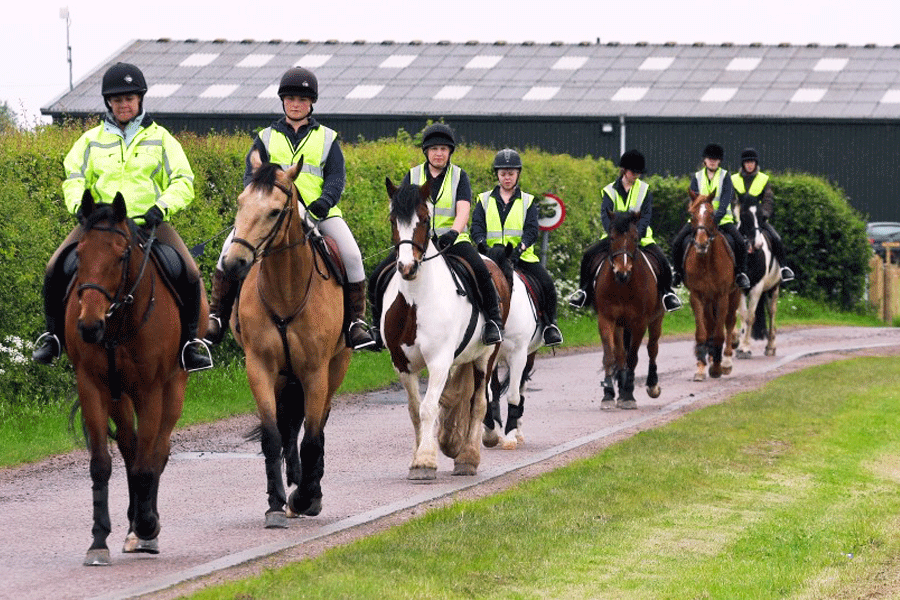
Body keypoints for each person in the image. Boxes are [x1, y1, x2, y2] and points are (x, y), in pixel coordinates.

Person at [31, 62, 213, 371]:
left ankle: (190, 345)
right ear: (108, 103)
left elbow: (183, 180)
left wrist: (163, 206)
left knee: (189, 271)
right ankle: (53, 338)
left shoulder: (162, 139)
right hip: (100, 225)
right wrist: (79, 206)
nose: (123, 105)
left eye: (129, 98)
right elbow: (73, 177)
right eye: (117, 100)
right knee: (54, 267)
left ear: (140, 99)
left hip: (148, 221)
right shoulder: (89, 140)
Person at [204, 67, 376, 351]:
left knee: (352, 256)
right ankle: (217, 318)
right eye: (291, 98)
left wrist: (324, 202)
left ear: (311, 104)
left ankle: (355, 323)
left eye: (302, 99)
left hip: (319, 213)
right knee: (228, 253)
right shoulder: (265, 137)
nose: (296, 104)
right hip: (271, 216)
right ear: (283, 101)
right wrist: (258, 203)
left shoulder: (328, 139)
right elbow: (252, 176)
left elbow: (336, 177)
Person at [368, 123, 505, 347]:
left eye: (443, 149)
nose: (439, 153)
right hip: (417, 242)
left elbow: (463, 209)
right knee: (377, 276)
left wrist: (453, 232)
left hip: (452, 240)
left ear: (449, 152)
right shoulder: (412, 175)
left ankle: (493, 321)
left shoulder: (460, 176)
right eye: (434, 149)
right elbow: (403, 213)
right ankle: (376, 329)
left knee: (480, 270)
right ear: (426, 152)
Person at [568, 150, 683, 312]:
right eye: (633, 171)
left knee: (662, 261)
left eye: (639, 172)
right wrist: (613, 233)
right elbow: (605, 216)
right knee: (588, 256)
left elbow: (646, 216)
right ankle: (584, 291)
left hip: (639, 237)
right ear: (624, 170)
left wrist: (637, 235)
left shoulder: (644, 190)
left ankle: (667, 294)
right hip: (614, 238)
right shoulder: (609, 191)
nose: (636, 175)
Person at [471, 148, 563, 346]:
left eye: (511, 173)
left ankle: (550, 326)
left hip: (521, 257)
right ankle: (478, 327)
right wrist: (483, 247)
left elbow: (531, 230)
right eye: (503, 173)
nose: (507, 178)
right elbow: (477, 227)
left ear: (518, 174)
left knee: (547, 285)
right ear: (497, 174)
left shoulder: (528, 201)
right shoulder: (484, 199)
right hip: (490, 256)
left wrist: (520, 249)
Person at [671, 143, 751, 290]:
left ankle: (741, 274)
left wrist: (716, 218)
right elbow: (694, 199)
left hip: (722, 219)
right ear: (705, 160)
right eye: (710, 159)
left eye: (715, 159)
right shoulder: (697, 177)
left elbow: (726, 198)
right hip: (700, 220)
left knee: (739, 242)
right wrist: (699, 217)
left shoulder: (725, 176)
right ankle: (677, 273)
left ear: (719, 161)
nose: (712, 161)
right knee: (677, 242)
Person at [731, 148, 795, 282]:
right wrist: (733, 213)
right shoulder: (733, 179)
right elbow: (730, 198)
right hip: (739, 217)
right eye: (747, 162)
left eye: (752, 162)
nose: (749, 165)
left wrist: (764, 214)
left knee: (776, 238)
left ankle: (784, 268)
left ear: (755, 163)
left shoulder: (763, 179)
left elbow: (768, 199)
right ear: (743, 164)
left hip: (756, 218)